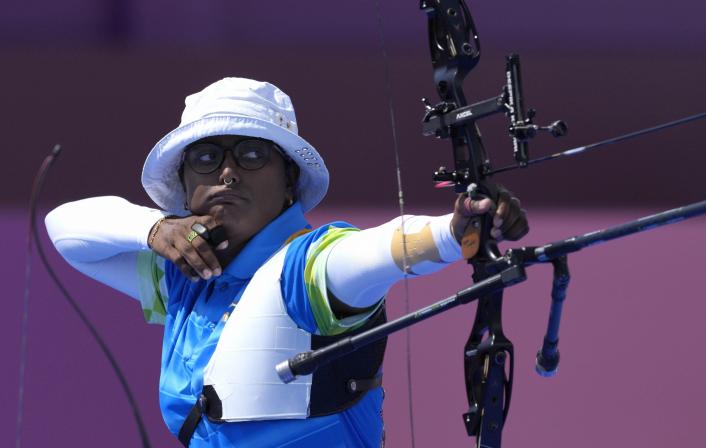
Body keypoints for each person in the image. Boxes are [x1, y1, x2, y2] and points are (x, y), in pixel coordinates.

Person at [44, 77, 528, 447]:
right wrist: (154, 229)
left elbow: (376, 251)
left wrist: (453, 231)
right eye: (207, 157)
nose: (228, 173)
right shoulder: (186, 276)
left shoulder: (310, 267)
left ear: (290, 180)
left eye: (252, 154)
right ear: (186, 183)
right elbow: (66, 230)